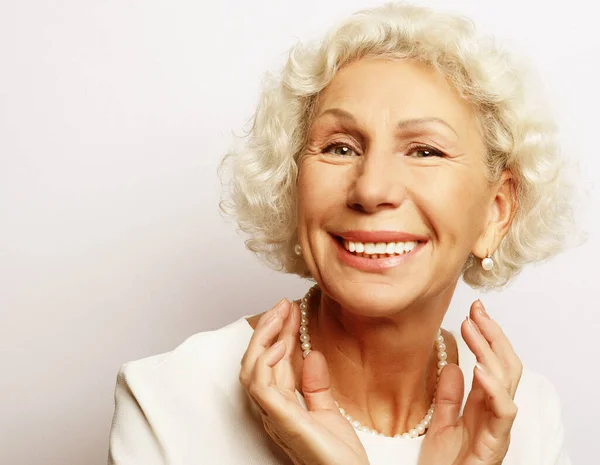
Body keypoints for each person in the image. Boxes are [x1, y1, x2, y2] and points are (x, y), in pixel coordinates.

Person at [107, 3, 575, 464]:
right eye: (340, 147)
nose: (371, 189)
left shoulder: (522, 415)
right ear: (292, 184)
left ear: (496, 211)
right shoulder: (171, 402)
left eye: (425, 151)